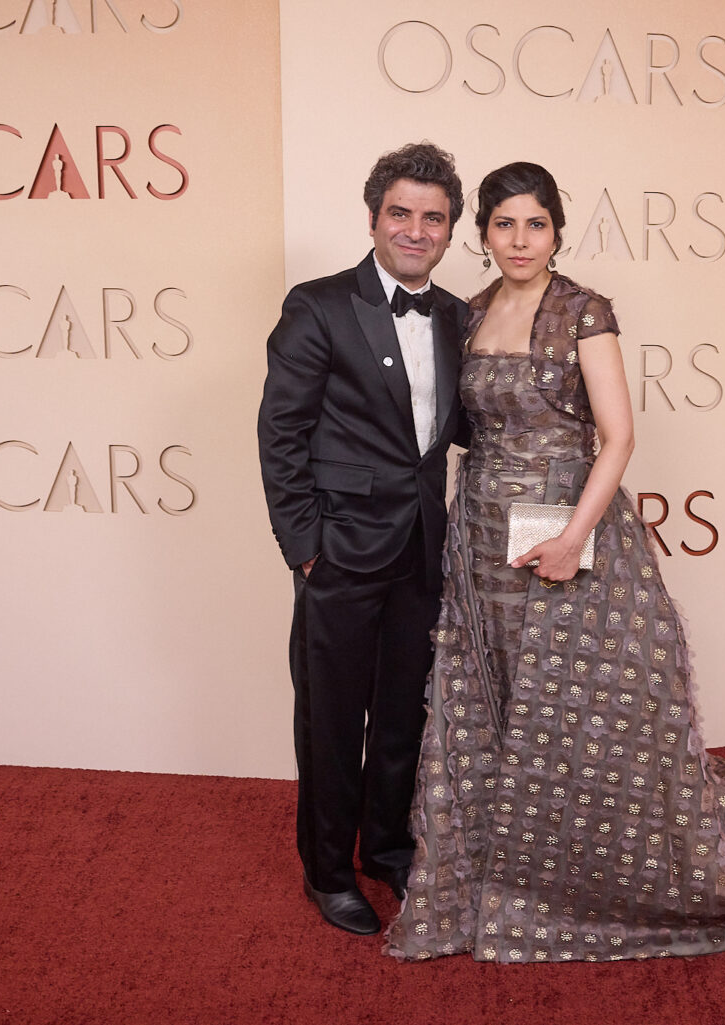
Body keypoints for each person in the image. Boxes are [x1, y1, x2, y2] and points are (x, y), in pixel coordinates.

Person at [385, 162, 725, 962]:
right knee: (492, 692)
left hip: (569, 527)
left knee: (572, 703)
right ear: (482, 234)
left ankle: (574, 876)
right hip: (480, 532)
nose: (520, 240)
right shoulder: (467, 313)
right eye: (504, 224)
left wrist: (573, 537)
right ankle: (496, 867)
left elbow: (617, 438)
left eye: (536, 224)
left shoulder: (584, 311)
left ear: (556, 231)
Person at [258, 142, 469, 935]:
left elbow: (463, 427)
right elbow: (281, 432)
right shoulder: (319, 306)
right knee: (333, 722)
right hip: (339, 553)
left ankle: (386, 847)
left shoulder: (457, 316)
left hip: (422, 552)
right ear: (374, 218)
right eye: (401, 213)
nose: (416, 230)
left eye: (433, 218)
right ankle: (327, 870)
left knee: (405, 717)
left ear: (450, 230)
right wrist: (305, 547)